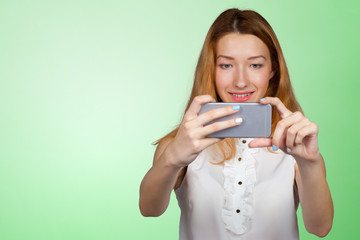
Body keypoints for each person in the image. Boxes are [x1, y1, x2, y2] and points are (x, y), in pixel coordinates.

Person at [139, 8, 333, 240]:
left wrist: (309, 163)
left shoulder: (296, 143)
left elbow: (320, 228)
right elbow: (149, 210)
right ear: (210, 69)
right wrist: (172, 158)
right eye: (226, 65)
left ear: (273, 70)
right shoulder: (182, 143)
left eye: (255, 65)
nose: (241, 81)